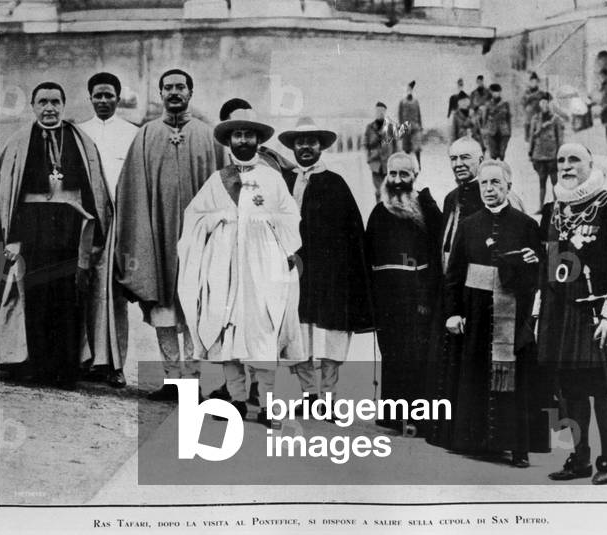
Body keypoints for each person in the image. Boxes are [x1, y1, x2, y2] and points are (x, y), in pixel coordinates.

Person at [178, 107, 303, 423]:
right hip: (225, 267)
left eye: (249, 134)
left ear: (258, 140)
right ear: (229, 140)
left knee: (262, 331)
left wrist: (279, 239)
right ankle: (235, 401)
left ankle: (265, 404)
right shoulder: (217, 181)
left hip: (263, 267)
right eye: (238, 134)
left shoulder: (272, 179)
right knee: (228, 332)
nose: (243, 140)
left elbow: (290, 217)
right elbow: (194, 216)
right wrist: (220, 218)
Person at [0, 82, 117, 389]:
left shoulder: (81, 141)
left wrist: (95, 236)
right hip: (32, 230)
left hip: (70, 229)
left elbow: (94, 189)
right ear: (33, 106)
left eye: (55, 102)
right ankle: (37, 367)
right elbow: (7, 195)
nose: (49, 108)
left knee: (68, 298)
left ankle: (66, 369)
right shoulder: (19, 142)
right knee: (36, 297)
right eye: (42, 102)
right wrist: (11, 237)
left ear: (64, 105)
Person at [537, 143, 607, 484]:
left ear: (590, 164)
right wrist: (541, 307)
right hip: (559, 315)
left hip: (596, 314)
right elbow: (549, 263)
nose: (566, 166)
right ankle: (577, 457)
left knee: (600, 387)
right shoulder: (552, 209)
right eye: (561, 160)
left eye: (574, 160)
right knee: (565, 388)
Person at [114, 68, 217, 400]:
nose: (174, 92)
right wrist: (141, 236)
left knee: (194, 309)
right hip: (158, 239)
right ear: (160, 93)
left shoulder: (208, 135)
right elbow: (130, 190)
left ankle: (194, 380)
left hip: (198, 241)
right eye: (168, 87)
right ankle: (173, 380)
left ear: (191, 91)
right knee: (164, 309)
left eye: (180, 87)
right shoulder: (146, 135)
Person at [443, 160, 545, 466]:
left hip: (512, 315)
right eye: (484, 183)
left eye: (496, 183)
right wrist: (453, 313)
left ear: (508, 188)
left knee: (513, 381)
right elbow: (454, 274)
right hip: (475, 313)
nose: (489, 189)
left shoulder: (527, 225)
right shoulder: (469, 224)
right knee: (476, 377)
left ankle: (517, 447)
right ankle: (477, 442)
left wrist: (533, 260)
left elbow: (539, 273)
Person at [278, 117, 373, 403]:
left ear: (321, 146)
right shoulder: (284, 182)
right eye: (300, 142)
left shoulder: (335, 184)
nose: (305, 147)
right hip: (295, 270)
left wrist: (349, 271)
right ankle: (309, 394)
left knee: (330, 333)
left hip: (330, 273)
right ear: (293, 147)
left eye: (312, 141)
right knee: (297, 331)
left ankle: (329, 396)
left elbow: (353, 231)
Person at [365, 152, 442, 432]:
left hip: (416, 297)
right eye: (392, 174)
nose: (397, 181)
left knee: (415, 355)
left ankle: (417, 417)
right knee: (391, 353)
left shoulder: (426, 211)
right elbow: (367, 256)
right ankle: (392, 413)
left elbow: (437, 256)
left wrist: (426, 298)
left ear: (415, 177)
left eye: (404, 175)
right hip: (386, 299)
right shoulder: (378, 212)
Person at [79, 71, 138, 387]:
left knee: (113, 295)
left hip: (117, 222)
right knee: (82, 291)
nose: (103, 101)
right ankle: (84, 360)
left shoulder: (131, 133)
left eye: (109, 95)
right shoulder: (78, 132)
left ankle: (115, 364)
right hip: (85, 222)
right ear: (90, 98)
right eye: (98, 95)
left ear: (118, 97)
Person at [426, 137, 484, 449]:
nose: (459, 164)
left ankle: (467, 435)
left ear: (481, 158)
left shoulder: (488, 191)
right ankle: (446, 433)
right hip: (449, 288)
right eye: (453, 158)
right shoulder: (451, 198)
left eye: (465, 158)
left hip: (473, 290)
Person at [528, 93, 564, 209]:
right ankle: (541, 207)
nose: (545, 105)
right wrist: (530, 151)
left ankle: (556, 206)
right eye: (543, 102)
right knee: (541, 182)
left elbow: (560, 137)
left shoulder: (556, 119)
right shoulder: (535, 118)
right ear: (539, 104)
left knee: (555, 182)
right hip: (538, 155)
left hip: (552, 155)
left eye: (547, 102)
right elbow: (531, 136)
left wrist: (560, 153)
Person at [364, 101, 395, 200]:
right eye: (378, 111)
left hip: (388, 163)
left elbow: (396, 145)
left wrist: (395, 160)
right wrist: (368, 159)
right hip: (375, 164)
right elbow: (365, 144)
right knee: (378, 191)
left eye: (382, 111)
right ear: (375, 112)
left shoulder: (390, 127)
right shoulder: (369, 128)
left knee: (389, 190)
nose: (380, 113)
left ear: (385, 112)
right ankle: (379, 209)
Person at [479, 83, 512, 161]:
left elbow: (508, 118)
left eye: (497, 92)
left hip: (503, 131)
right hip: (491, 132)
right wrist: (484, 131)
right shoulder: (488, 104)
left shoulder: (505, 104)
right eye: (493, 92)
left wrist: (509, 131)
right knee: (493, 155)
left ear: (500, 92)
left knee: (502, 154)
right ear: (491, 92)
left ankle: (502, 170)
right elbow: (484, 119)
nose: (495, 94)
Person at [397, 80, 423, 166]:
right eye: (408, 89)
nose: (409, 91)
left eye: (411, 89)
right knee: (406, 148)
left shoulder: (416, 101)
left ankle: (419, 165)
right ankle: (407, 165)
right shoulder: (402, 102)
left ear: (412, 90)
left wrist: (420, 126)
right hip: (406, 127)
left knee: (417, 148)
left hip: (415, 127)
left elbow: (419, 115)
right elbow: (400, 115)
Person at [521, 72, 547, 142]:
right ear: (530, 82)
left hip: (539, 119)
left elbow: (546, 104)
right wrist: (530, 97)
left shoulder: (542, 93)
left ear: (537, 82)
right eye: (532, 81)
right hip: (528, 120)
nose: (534, 83)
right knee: (529, 141)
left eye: (535, 81)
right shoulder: (526, 93)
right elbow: (523, 104)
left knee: (539, 140)